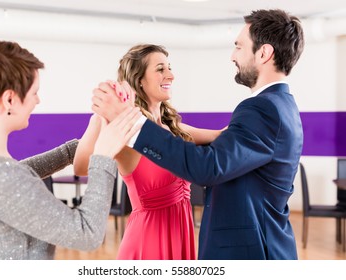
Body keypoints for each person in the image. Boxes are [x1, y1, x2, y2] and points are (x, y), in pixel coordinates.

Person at [92, 9, 305, 260]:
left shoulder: (263, 109)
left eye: (239, 47)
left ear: (264, 53)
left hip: (253, 250)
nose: (232, 56)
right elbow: (221, 155)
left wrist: (133, 123)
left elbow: (207, 167)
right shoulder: (280, 105)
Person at [0, 39, 141, 260]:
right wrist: (104, 155)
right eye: (34, 92)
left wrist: (85, 137)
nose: (38, 100)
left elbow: (17, 175)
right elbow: (87, 234)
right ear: (9, 99)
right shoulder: (1, 179)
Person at [74, 44, 224, 260]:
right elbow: (81, 166)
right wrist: (100, 119)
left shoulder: (173, 129)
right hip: (148, 242)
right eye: (160, 69)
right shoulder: (124, 127)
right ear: (139, 79)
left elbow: (218, 136)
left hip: (182, 236)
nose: (170, 75)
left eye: (169, 68)